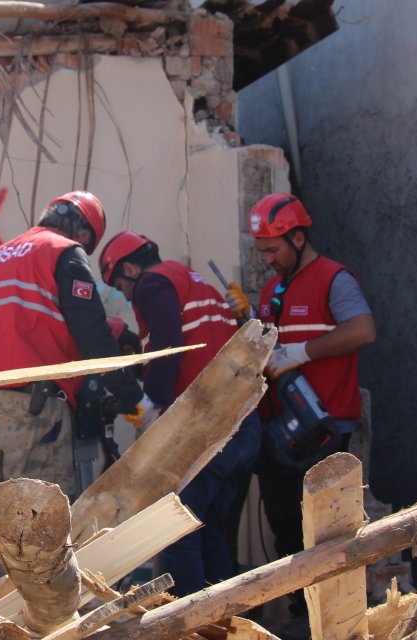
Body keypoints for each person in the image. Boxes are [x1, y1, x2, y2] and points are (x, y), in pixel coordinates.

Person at [228, 193, 375, 616]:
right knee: (284, 525)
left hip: (323, 425)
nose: (268, 259)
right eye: (262, 251)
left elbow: (363, 330)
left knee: (325, 531)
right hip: (279, 430)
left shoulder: (335, 279)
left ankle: (337, 616)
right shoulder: (275, 287)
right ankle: (301, 611)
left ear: (297, 237)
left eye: (273, 249)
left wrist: (301, 353)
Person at [98, 230, 261, 596]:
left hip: (206, 423)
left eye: (120, 285)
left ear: (130, 268)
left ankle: (184, 624)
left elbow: (166, 346)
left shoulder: (152, 283)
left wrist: (153, 407)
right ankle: (220, 621)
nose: (125, 295)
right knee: (209, 526)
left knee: (175, 526)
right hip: (244, 422)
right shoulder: (194, 281)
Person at [0, 191, 144, 496]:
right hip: (39, 409)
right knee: (44, 529)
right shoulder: (65, 251)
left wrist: (5, 376)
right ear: (84, 233)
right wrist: (136, 399)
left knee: (11, 528)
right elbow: (93, 337)